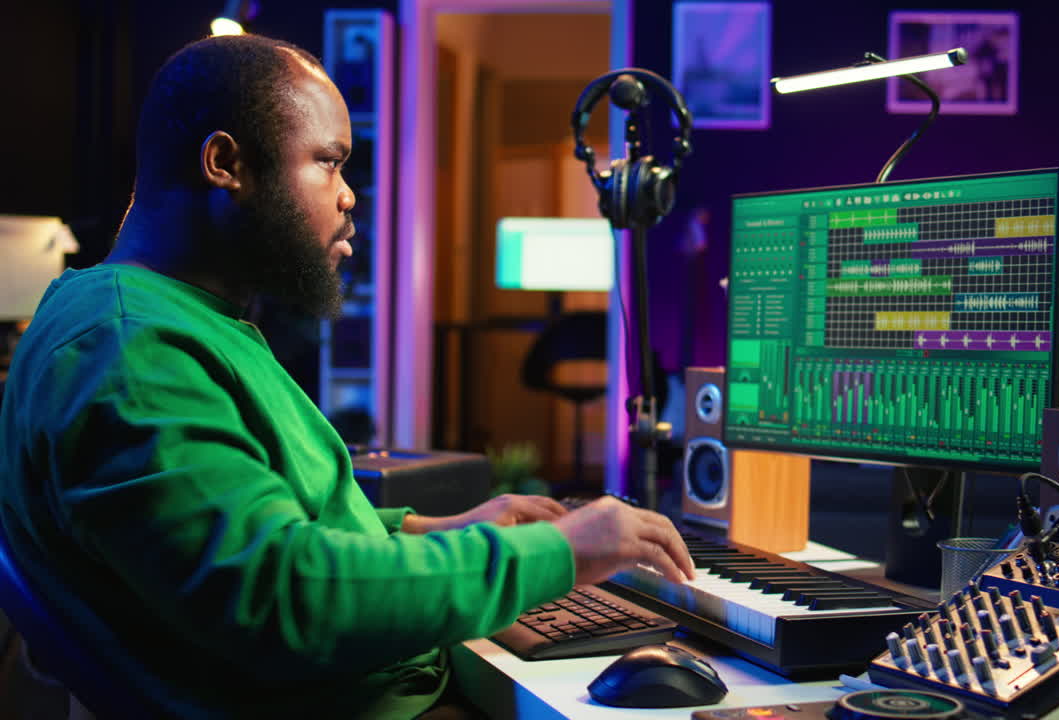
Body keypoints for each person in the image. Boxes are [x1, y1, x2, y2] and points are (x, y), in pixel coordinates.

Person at [0, 33, 694, 719]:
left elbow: (270, 525)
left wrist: (435, 530)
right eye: (329, 162)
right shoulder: (129, 353)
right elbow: (281, 596)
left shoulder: (165, 319)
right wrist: (561, 550)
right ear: (224, 163)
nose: (348, 196)